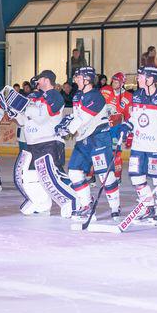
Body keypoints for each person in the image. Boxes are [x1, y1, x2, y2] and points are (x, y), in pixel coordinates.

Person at [55, 66, 119, 220]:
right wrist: (65, 123)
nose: (75, 79)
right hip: (84, 139)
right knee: (74, 172)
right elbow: (75, 117)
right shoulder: (77, 96)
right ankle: (86, 205)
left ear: (87, 79)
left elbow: (83, 118)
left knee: (105, 174)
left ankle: (115, 207)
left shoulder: (96, 96)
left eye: (79, 77)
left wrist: (67, 128)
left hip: (99, 138)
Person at [122, 66, 157, 224]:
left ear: (150, 79)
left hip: (156, 147)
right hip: (139, 145)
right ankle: (147, 206)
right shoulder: (137, 95)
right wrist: (128, 125)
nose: (137, 79)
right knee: (136, 176)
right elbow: (135, 117)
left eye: (141, 77)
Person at [9, 70, 67, 216]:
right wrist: (14, 114)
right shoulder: (35, 99)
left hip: (49, 142)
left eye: (39, 80)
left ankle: (75, 201)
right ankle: (41, 203)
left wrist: (24, 107)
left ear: (46, 80)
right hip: (33, 144)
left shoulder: (53, 96)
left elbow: (42, 118)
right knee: (28, 176)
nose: (37, 83)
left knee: (54, 176)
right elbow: (24, 121)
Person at [100, 72, 133, 182]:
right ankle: (94, 177)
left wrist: (129, 133)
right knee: (99, 153)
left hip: (116, 128)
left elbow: (129, 116)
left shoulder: (128, 96)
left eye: (117, 81)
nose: (114, 83)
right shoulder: (104, 90)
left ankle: (117, 177)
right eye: (113, 81)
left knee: (116, 154)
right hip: (102, 126)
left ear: (123, 83)